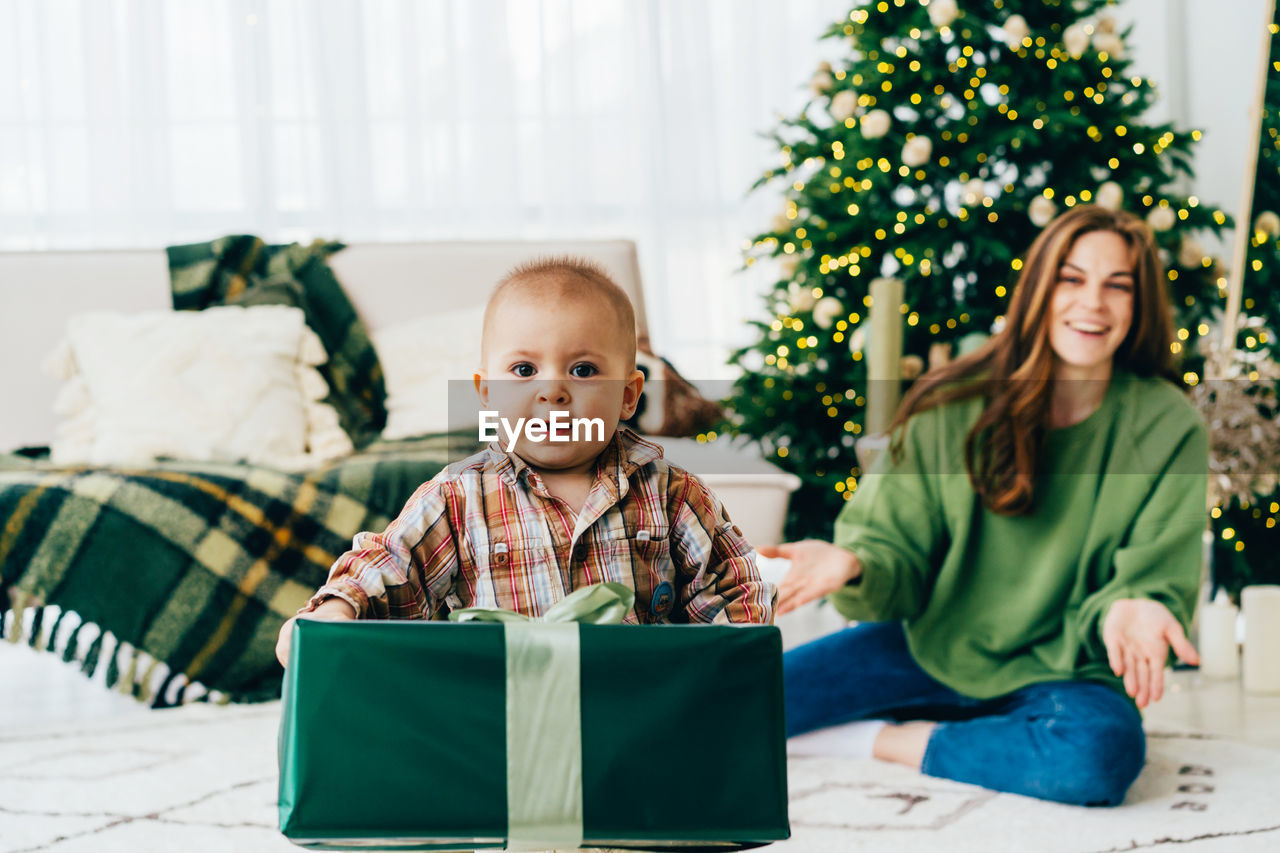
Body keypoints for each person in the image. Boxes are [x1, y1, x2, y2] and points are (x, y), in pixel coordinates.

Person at [761, 205, 1208, 807]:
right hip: (932, 645)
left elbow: (1154, 573)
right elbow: (892, 547)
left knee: (1096, 758)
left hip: (1068, 668)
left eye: (1117, 286)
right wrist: (855, 562)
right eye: (1071, 279)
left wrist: (1134, 604)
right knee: (741, 704)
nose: (1093, 303)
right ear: (1038, 290)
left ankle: (894, 742)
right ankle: (981, 736)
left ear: (1140, 304)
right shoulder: (952, 404)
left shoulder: (1169, 426)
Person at [276, 257, 773, 666]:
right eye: (523, 369)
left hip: (640, 713)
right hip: (500, 719)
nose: (552, 390)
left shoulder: (673, 494)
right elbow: (389, 564)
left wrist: (729, 667)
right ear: (487, 395)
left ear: (627, 395)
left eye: (583, 370)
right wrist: (337, 607)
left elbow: (732, 586)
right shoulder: (457, 498)